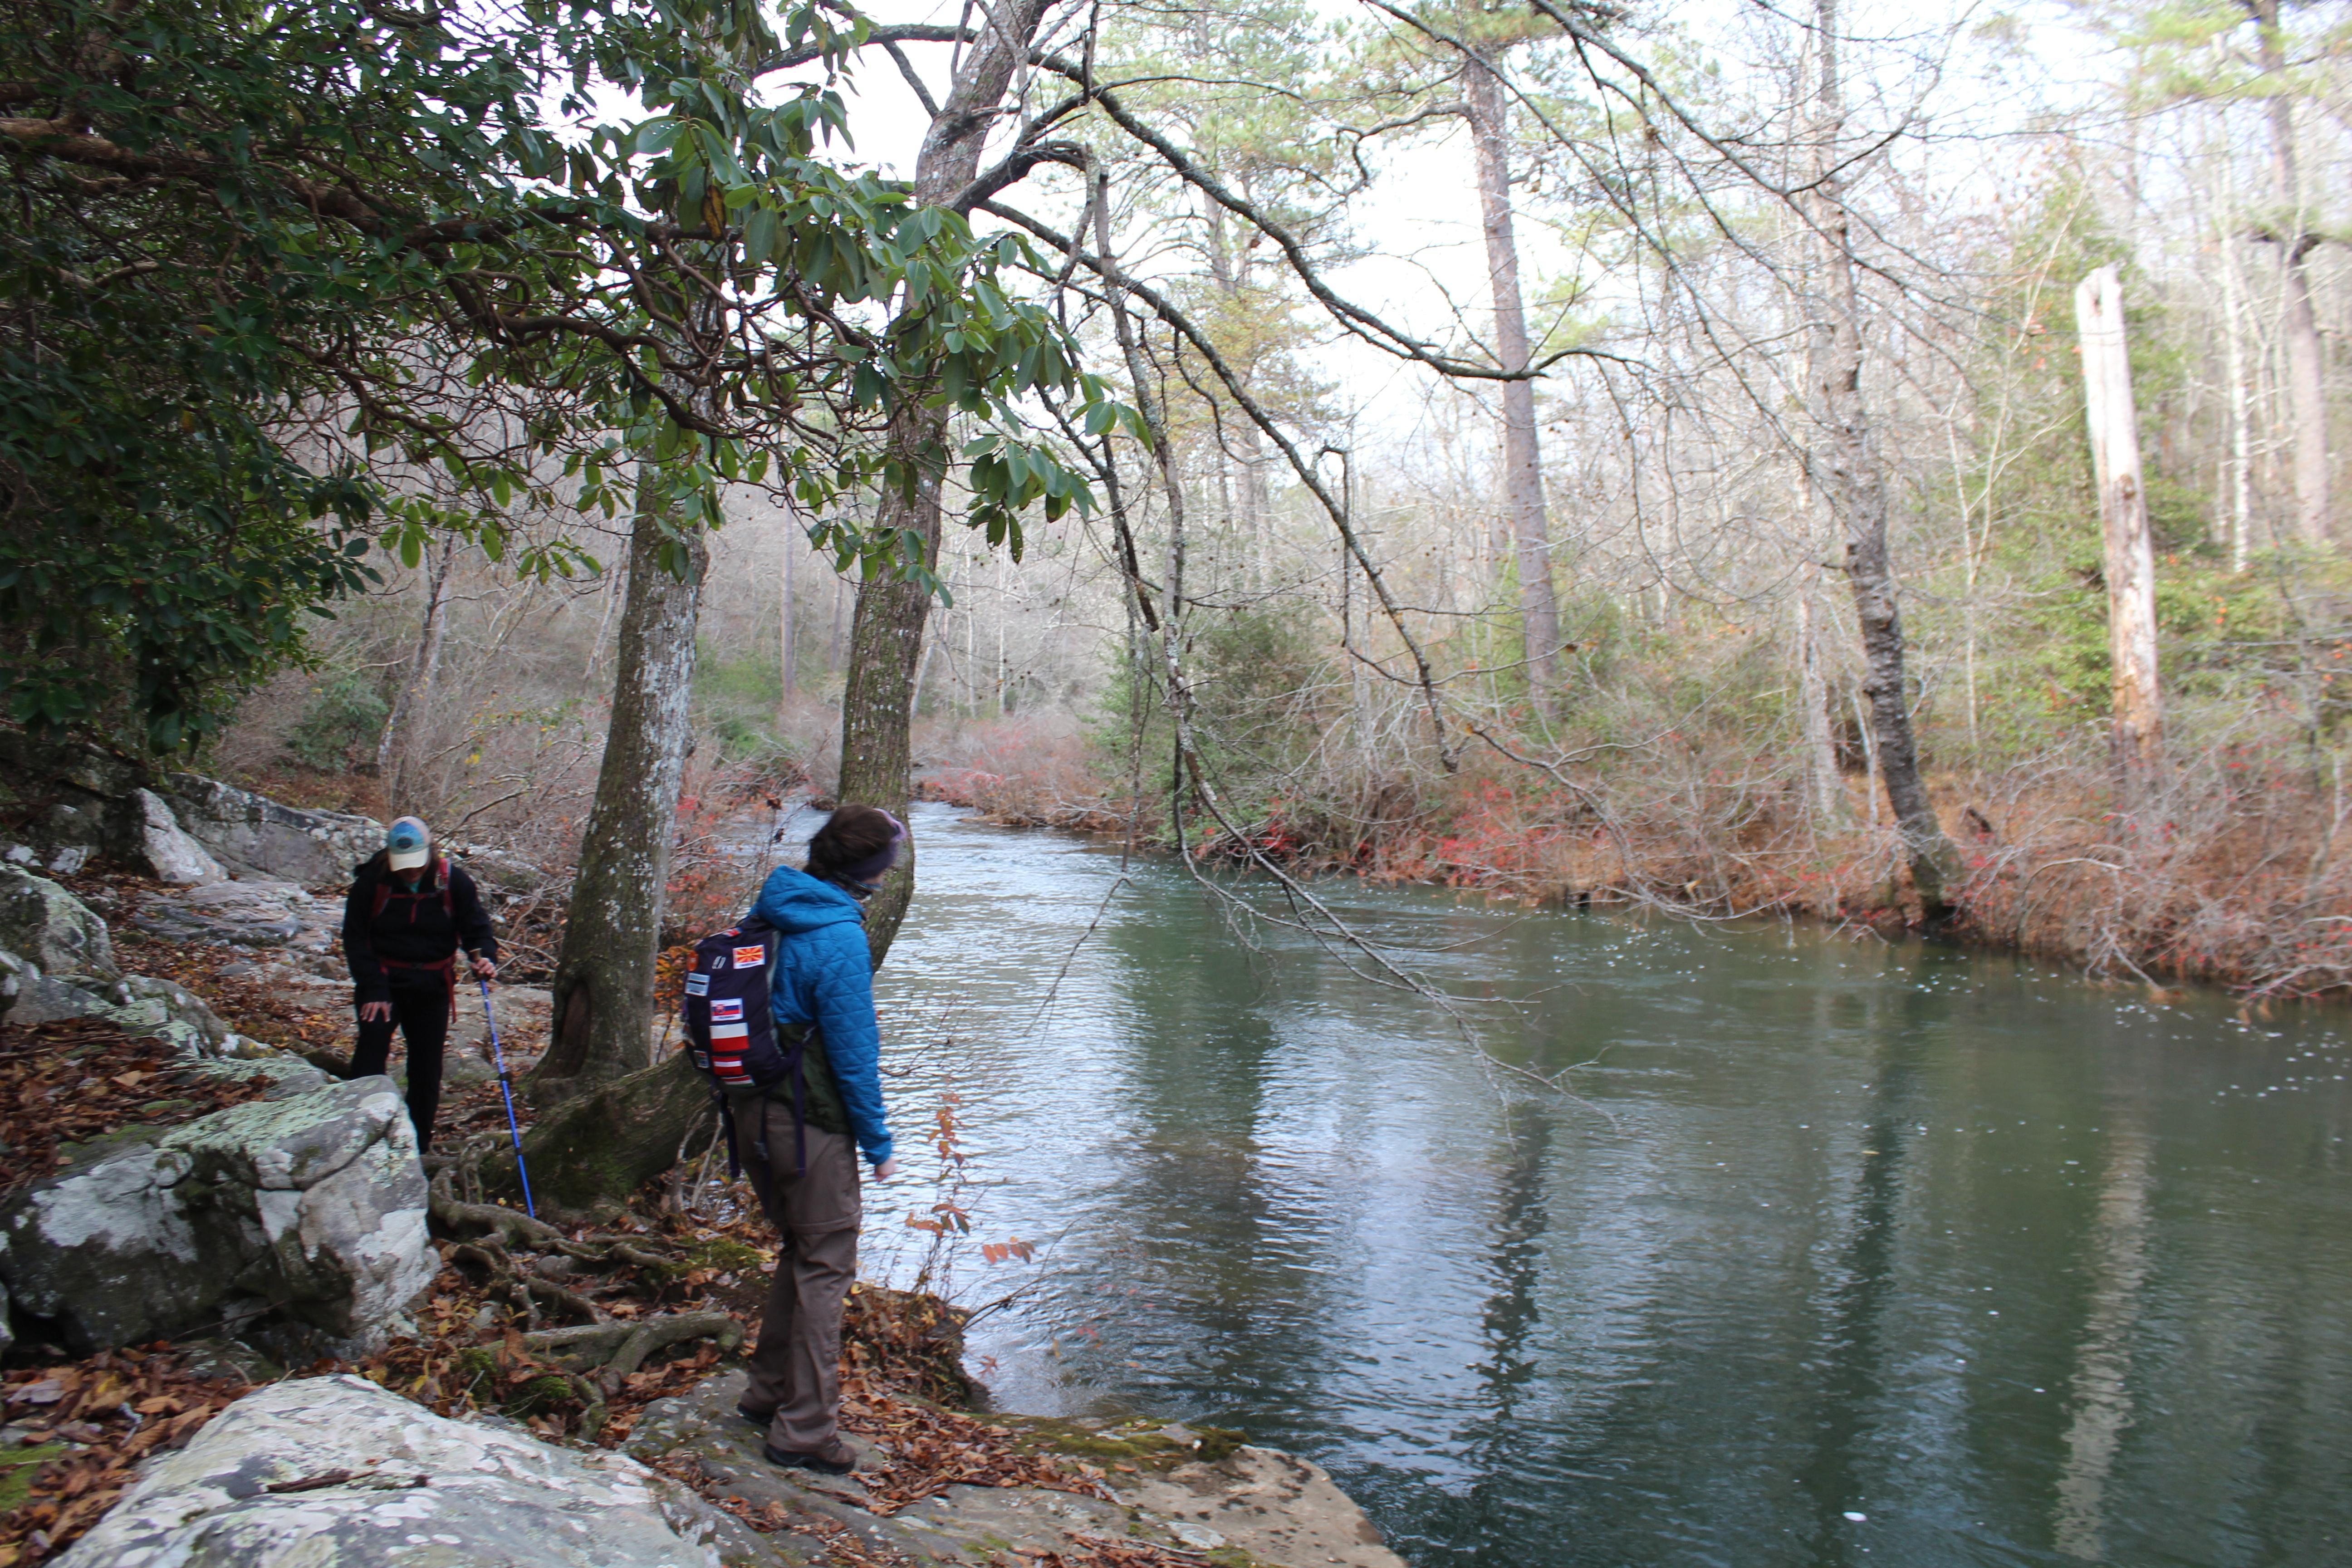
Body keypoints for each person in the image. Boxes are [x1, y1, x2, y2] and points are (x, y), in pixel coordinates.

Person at [732, 803, 904, 1475]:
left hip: (750, 1113)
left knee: (801, 1248)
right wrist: (879, 1143)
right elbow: (854, 1053)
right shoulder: (839, 938)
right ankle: (804, 1432)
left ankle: (767, 1393)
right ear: (870, 873)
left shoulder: (774, 906)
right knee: (827, 1262)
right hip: (808, 1124)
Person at [342, 815, 498, 1154]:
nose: (411, 872)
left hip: (432, 985)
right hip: (383, 981)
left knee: (426, 1068)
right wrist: (373, 988)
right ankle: (355, 1135)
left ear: (430, 852)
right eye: (404, 865)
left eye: (416, 864)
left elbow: (476, 928)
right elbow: (355, 940)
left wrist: (484, 956)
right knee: (370, 1056)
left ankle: (418, 1146)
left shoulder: (453, 882)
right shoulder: (372, 882)